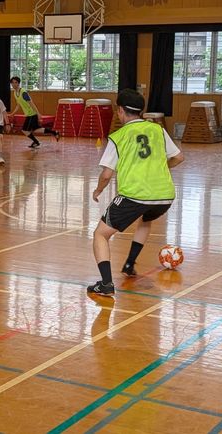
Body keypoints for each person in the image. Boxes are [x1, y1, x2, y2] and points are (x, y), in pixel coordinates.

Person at [87, 89, 184, 297]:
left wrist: (98, 190)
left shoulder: (119, 136)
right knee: (146, 219)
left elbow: (107, 174)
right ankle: (130, 263)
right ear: (141, 111)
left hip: (135, 195)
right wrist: (160, 168)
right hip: (165, 196)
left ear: (120, 111)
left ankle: (106, 284)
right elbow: (178, 157)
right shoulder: (157, 129)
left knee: (100, 234)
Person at [10, 76, 60, 148]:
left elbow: (31, 103)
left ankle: (36, 142)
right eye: (12, 83)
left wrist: (38, 114)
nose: (14, 84)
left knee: (24, 130)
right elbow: (18, 105)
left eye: (15, 82)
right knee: (36, 129)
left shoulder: (23, 92)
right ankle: (55, 132)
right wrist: (13, 114)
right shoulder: (15, 93)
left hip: (32, 114)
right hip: (28, 114)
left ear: (18, 83)